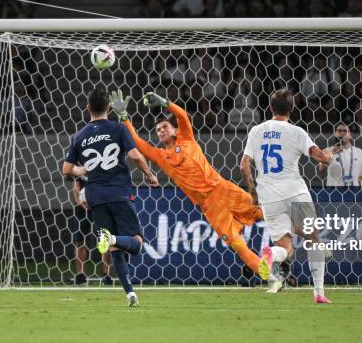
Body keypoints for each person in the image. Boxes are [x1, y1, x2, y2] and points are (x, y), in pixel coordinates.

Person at [108, 90, 273, 281]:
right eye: (158, 130)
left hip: (223, 189)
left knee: (265, 213)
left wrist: (164, 102)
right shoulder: (161, 157)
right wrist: (123, 117)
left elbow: (182, 116)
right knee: (237, 245)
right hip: (210, 206)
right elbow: (137, 142)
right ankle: (269, 276)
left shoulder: (186, 138)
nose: (161, 130)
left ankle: (296, 235)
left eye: (165, 127)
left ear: (175, 130)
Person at [62, 87, 159, 307]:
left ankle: (130, 294)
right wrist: (150, 175)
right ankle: (112, 240)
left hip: (95, 198)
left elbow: (66, 169)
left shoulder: (79, 136)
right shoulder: (117, 129)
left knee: (114, 249)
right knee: (135, 243)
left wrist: (83, 170)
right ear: (108, 107)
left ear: (87, 108)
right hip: (119, 193)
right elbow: (135, 156)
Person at [240, 89, 333, 303]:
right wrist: (326, 157)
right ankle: (319, 293)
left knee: (285, 247)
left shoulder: (256, 131)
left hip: (268, 196)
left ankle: (271, 254)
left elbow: (244, 165)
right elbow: (319, 155)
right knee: (313, 239)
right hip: (294, 192)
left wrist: (253, 193)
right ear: (291, 109)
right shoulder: (296, 131)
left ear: (270, 107)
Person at [66, 175, 113, 286]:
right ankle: (81, 275)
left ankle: (107, 275)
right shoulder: (80, 164)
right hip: (82, 207)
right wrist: (79, 201)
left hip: (100, 205)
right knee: (79, 240)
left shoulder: (103, 163)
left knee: (104, 239)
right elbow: (75, 183)